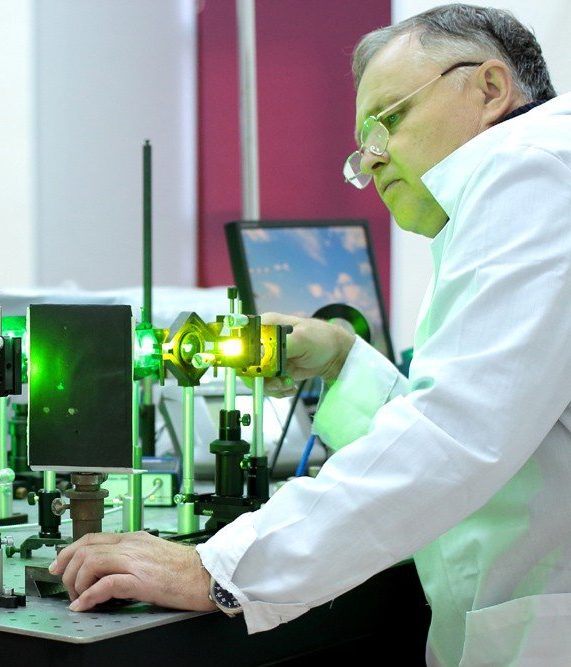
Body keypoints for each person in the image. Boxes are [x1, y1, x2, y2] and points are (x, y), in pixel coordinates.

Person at [49, 4, 571, 664]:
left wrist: (219, 567)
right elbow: (501, 426)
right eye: (362, 144)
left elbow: (454, 433)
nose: (372, 159)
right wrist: (343, 361)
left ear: (490, 88)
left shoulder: (531, 168)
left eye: (389, 120)